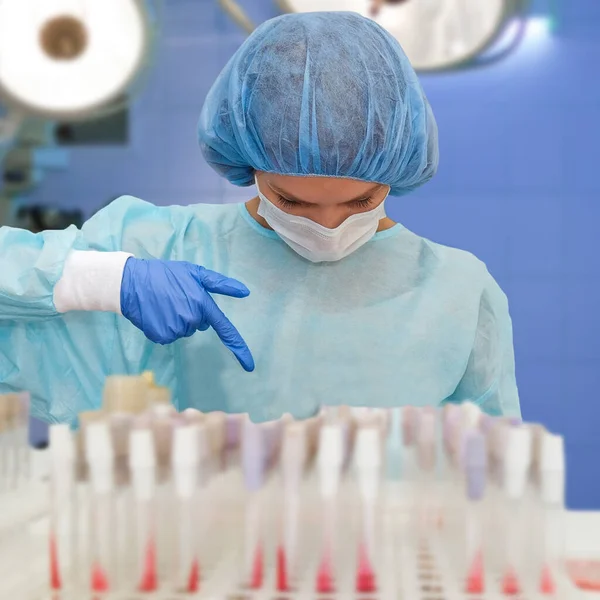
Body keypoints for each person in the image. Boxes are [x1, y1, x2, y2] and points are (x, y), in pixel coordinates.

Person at [0, 12, 520, 424]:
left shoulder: (458, 291)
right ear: (247, 164)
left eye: (360, 202)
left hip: (389, 555)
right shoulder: (160, 247)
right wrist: (102, 280)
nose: (328, 226)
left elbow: (497, 477)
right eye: (292, 201)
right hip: (195, 552)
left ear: (395, 172)